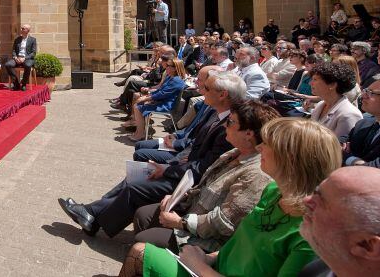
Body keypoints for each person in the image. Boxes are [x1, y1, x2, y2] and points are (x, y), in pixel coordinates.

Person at [133, 118, 342, 277]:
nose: (259, 148)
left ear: (290, 159)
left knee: (140, 253)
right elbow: (238, 244)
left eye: (267, 145)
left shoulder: (311, 234)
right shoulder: (273, 191)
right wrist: (207, 258)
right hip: (212, 265)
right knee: (140, 249)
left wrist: (199, 265)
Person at [58, 71, 245, 238]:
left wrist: (168, 169)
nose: (202, 90)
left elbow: (204, 168)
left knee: (136, 185)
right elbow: (198, 147)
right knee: (136, 175)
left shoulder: (230, 125)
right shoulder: (217, 114)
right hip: (185, 167)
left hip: (192, 183)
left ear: (223, 94)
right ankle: (91, 213)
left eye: (207, 88)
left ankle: (93, 219)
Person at [126, 101, 279, 259]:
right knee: (143, 214)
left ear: (249, 133)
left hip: (209, 243)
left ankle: (145, 260)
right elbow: (204, 186)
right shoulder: (234, 153)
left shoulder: (256, 173)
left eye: (230, 121)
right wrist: (178, 197)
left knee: (144, 241)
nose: (225, 125)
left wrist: (181, 223)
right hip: (193, 212)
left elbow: (224, 223)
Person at [299, 167, 380, 277]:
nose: (306, 200)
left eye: (321, 199)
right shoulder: (316, 270)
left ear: (366, 245)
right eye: (316, 191)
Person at [126, 59, 187, 141]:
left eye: (169, 66)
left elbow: (163, 94)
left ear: (175, 68)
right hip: (161, 101)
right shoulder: (170, 76)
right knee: (138, 103)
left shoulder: (177, 80)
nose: (166, 67)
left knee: (137, 107)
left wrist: (147, 98)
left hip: (166, 105)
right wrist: (149, 94)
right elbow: (160, 90)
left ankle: (140, 134)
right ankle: (139, 131)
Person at [309, 62, 363, 137]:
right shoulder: (320, 105)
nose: (310, 83)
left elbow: (338, 146)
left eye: (315, 79)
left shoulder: (349, 114)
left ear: (332, 85)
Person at [4, 24, 37, 91]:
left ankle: (24, 84)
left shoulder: (32, 40)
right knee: (8, 64)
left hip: (27, 58)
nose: (21, 29)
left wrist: (24, 58)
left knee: (27, 65)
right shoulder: (17, 39)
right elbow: (13, 50)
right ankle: (17, 84)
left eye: (23, 28)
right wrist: (15, 57)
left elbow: (33, 53)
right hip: (18, 58)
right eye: (21, 28)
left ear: (28, 31)